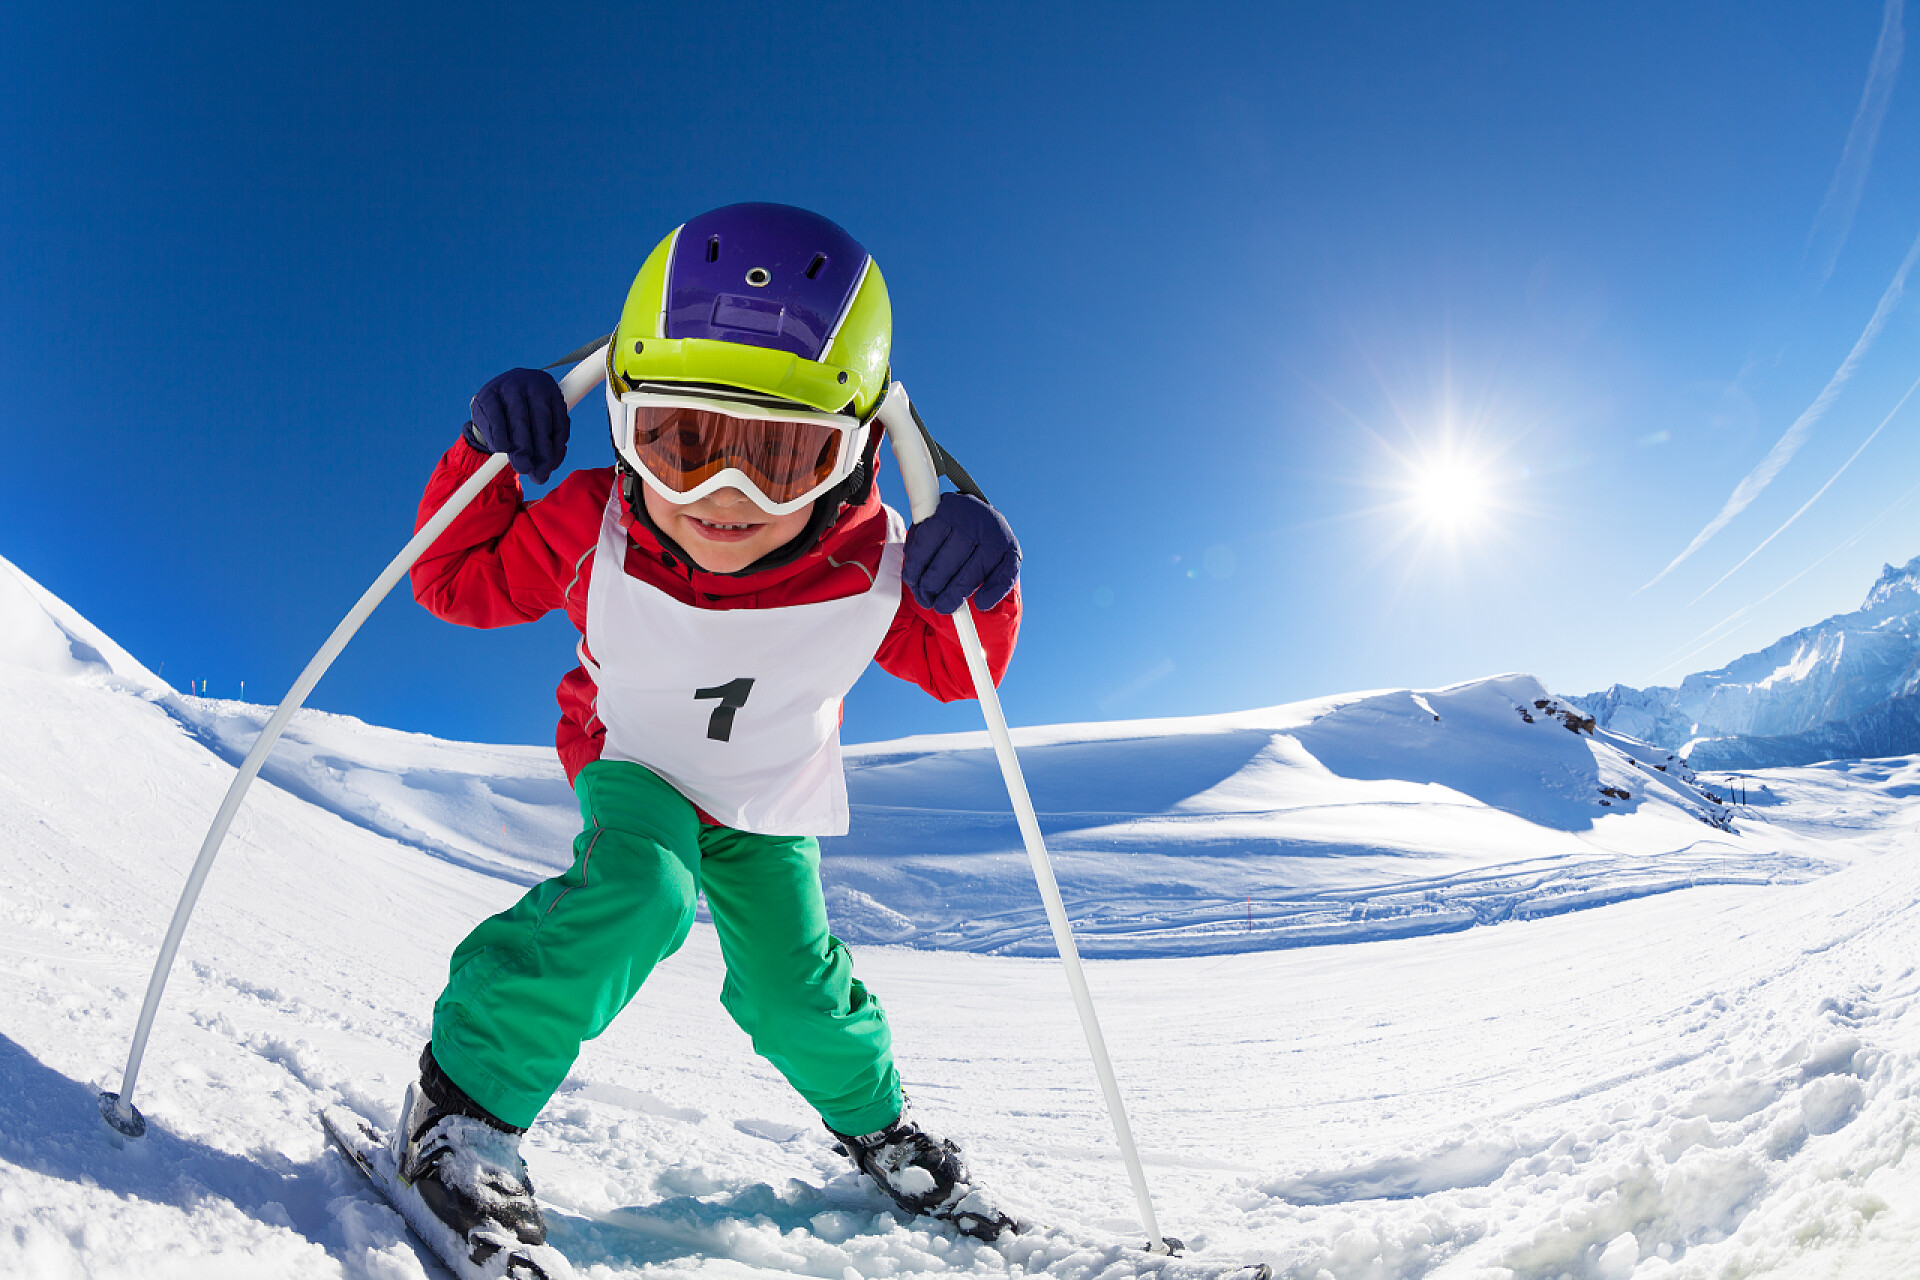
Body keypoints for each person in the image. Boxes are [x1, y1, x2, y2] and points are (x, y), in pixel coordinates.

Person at [390, 203, 1023, 1271]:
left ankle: (880, 1126)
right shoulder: (593, 523)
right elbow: (450, 578)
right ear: (625, 421)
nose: (721, 498)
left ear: (857, 451)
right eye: (681, 443)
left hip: (769, 799)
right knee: (643, 888)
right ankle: (459, 1107)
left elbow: (965, 666)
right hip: (634, 759)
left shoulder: (874, 558)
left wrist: (977, 577)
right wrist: (484, 457)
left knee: (795, 980)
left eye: (780, 457)